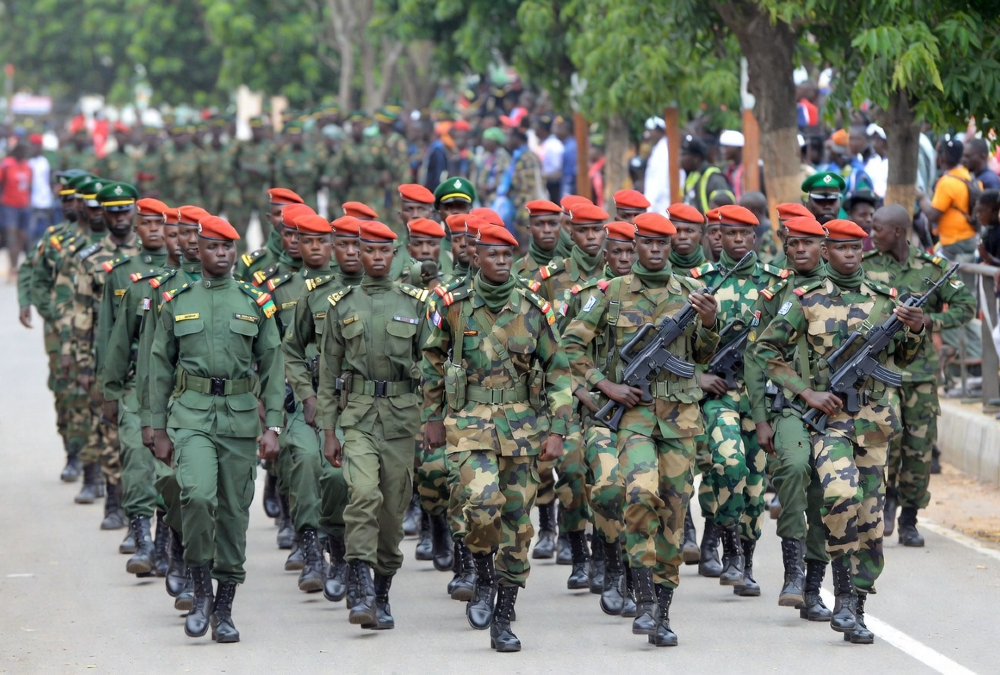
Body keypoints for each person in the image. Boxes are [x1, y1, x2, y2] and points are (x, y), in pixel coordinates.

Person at [751, 218, 926, 645]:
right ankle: (842, 595)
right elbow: (764, 350)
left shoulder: (886, 301)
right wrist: (806, 393)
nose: (849, 255)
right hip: (829, 423)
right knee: (839, 495)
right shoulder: (805, 299)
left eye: (856, 249)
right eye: (841, 248)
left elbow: (901, 357)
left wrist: (916, 327)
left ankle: (856, 607)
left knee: (868, 518)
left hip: (873, 424)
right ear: (826, 251)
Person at [561, 211, 719, 647]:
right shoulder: (609, 293)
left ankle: (663, 610)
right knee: (637, 495)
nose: (652, 250)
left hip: (681, 420)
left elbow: (705, 355)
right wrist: (604, 384)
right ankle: (645, 599)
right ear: (634, 243)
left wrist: (708, 322)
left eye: (661, 243)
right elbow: (570, 345)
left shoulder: (690, 293)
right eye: (644, 242)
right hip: (632, 419)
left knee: (673, 512)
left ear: (670, 247)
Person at [422, 223, 571, 652]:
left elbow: (559, 370)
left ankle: (504, 617)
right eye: (493, 255)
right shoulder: (454, 306)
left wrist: (558, 428)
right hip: (469, 423)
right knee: (482, 505)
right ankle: (483, 578)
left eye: (509, 255)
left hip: (522, 430)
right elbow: (432, 360)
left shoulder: (533, 308)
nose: (502, 262)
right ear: (476, 257)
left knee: (518, 526)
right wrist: (432, 417)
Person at [149, 214, 284, 643]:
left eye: (229, 248)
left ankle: (224, 607)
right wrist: (157, 428)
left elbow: (274, 363)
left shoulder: (254, 301)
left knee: (232, 513)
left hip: (241, 418)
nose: (221, 254)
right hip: (190, 414)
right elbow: (157, 366)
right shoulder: (176, 298)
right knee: (197, 494)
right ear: (199, 250)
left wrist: (274, 425)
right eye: (213, 247)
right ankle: (200, 589)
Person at [316, 220, 429, 630]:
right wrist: (329, 430)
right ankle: (359, 585)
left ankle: (381, 591)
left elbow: (432, 368)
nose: (377, 258)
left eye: (385, 252)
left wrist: (433, 420)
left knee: (392, 513)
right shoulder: (340, 305)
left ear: (395, 254)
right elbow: (328, 375)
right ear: (358, 253)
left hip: (402, 418)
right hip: (359, 415)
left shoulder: (416, 304)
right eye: (370, 251)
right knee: (362, 493)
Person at [863, 204, 975, 547]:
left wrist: (929, 322)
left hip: (921, 374)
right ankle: (886, 500)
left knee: (919, 449)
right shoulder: (866, 268)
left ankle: (910, 518)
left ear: (898, 231)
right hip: (883, 371)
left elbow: (965, 305)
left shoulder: (932, 269)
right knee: (887, 443)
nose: (871, 235)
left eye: (877, 229)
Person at [692, 204, 787, 597]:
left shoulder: (776, 283)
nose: (735, 240)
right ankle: (728, 548)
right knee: (729, 464)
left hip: (761, 399)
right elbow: (679, 340)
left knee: (754, 482)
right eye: (727, 233)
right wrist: (697, 376)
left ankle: (745, 561)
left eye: (743, 234)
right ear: (717, 237)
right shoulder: (700, 283)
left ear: (755, 238)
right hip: (721, 396)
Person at [743, 214, 833, 620]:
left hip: (840, 406)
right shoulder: (775, 294)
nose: (800, 250)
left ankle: (814, 587)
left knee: (824, 492)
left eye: (808, 243)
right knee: (795, 470)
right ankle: (793, 574)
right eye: (793, 243)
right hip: (792, 406)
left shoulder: (846, 292)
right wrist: (761, 418)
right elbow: (755, 355)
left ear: (823, 247)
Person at [281, 214, 362, 605]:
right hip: (313, 400)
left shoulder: (377, 293)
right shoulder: (314, 293)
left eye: (354, 244)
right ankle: (313, 551)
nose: (348, 251)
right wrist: (306, 396)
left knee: (339, 478)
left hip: (359, 404)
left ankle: (344, 553)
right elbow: (291, 350)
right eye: (341, 243)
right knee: (307, 463)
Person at [559, 219, 635, 614]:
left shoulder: (669, 294)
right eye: (617, 251)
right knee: (606, 488)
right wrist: (597, 389)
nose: (624, 259)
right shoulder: (592, 296)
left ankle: (635, 570)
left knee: (646, 494)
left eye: (630, 251)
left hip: (651, 414)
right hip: (598, 411)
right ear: (605, 254)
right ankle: (606, 558)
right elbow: (563, 352)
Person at [55, 179, 138, 521]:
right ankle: (114, 501)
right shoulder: (89, 259)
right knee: (108, 428)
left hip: (143, 357)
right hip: (105, 358)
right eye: (113, 212)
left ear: (134, 211)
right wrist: (84, 366)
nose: (119, 218)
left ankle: (138, 508)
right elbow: (81, 314)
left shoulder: (150, 254)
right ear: (103, 213)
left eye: (125, 211)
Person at [96, 196, 169, 566]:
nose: (155, 230)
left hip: (173, 388)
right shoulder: (122, 273)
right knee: (136, 458)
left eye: (162, 223)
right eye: (149, 223)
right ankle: (141, 535)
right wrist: (107, 389)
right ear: (138, 229)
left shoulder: (185, 273)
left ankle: (164, 543)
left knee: (167, 467)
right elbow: (111, 335)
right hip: (131, 385)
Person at [919, 136, 979, 280]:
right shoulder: (967, 175)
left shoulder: (947, 182)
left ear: (942, 157)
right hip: (969, 239)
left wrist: (921, 198)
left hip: (954, 243)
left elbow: (933, 214)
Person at [234, 188, 304, 283]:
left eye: (291, 214)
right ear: (269, 218)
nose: (285, 219)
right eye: (279, 214)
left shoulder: (317, 260)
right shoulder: (250, 266)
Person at [0, 143, 33, 274]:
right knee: (11, 235)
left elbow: (29, 186)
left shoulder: (27, 166)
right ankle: (13, 267)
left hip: (24, 207)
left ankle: (14, 264)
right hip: (9, 206)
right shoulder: (6, 165)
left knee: (22, 236)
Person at [681, 135, 734, 214]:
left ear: (696, 158)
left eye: (683, 155)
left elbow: (724, 205)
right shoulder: (692, 176)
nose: (679, 159)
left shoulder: (714, 177)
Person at [510, 199, 562, 279]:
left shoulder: (571, 268)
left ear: (560, 227)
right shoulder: (516, 273)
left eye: (553, 223)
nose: (547, 230)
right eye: (539, 224)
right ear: (529, 230)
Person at [472, 128, 511, 210]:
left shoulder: (502, 156)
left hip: (495, 197)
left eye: (487, 140)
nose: (484, 143)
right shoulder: (487, 155)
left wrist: (488, 187)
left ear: (495, 142)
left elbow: (501, 178)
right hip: (485, 196)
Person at [27, 134, 53, 248]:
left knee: (45, 231)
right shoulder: (28, 162)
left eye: (37, 145)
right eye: (33, 145)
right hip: (31, 201)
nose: (35, 148)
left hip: (45, 201)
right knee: (30, 231)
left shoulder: (45, 161)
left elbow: (50, 181)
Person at [667, 203, 708, 273]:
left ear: (700, 234)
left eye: (689, 231)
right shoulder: (660, 269)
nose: (682, 236)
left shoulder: (712, 270)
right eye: (676, 231)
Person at [643, 117, 670, 214]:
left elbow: (660, 180)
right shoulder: (659, 147)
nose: (648, 133)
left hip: (661, 203)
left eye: (650, 130)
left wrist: (650, 204)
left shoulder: (664, 150)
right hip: (656, 204)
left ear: (658, 131)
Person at [536, 114, 564, 203]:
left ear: (542, 130)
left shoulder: (554, 145)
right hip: (545, 183)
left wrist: (542, 175)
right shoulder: (544, 143)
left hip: (553, 185)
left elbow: (557, 169)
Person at [863, 125, 888, 198]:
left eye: (876, 139)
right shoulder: (873, 161)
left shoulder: (893, 164)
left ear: (884, 142)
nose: (873, 143)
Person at [556, 116, 577, 201]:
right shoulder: (569, 145)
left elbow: (569, 175)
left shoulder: (570, 148)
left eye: (560, 128)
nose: (556, 131)